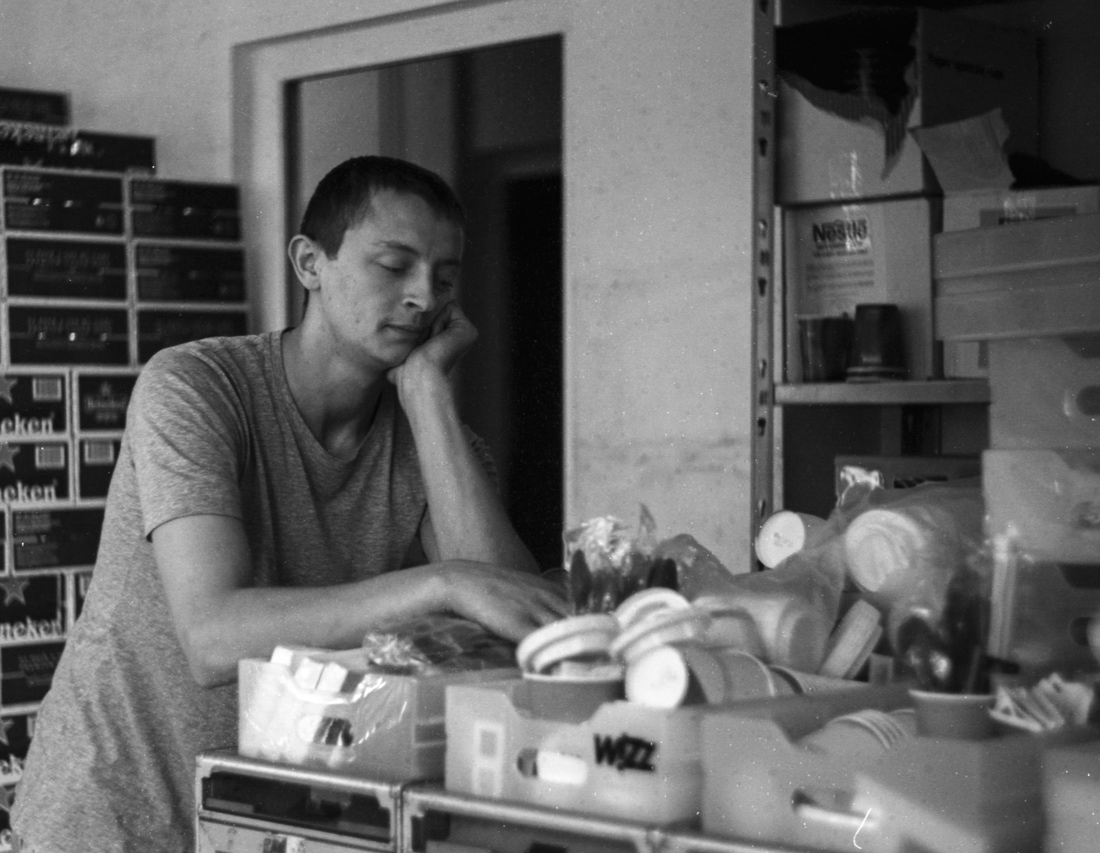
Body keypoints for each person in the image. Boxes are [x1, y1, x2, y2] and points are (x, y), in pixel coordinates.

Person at [11, 155, 569, 853]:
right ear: (309, 263)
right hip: (108, 819)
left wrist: (428, 395)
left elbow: (518, 630)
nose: (424, 296)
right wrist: (442, 584)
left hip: (266, 825)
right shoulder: (195, 386)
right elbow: (213, 637)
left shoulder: (441, 448)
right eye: (394, 266)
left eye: (445, 277)